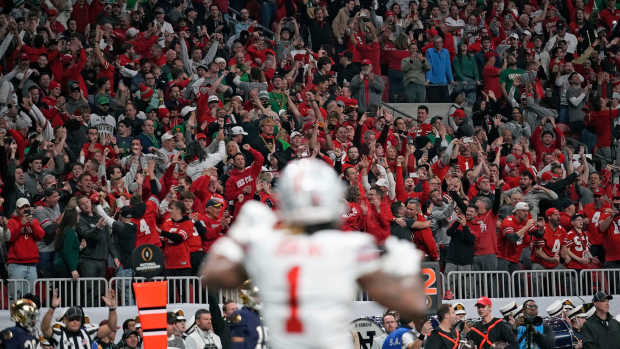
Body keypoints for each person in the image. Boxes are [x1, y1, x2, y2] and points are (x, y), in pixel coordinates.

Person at [203, 159, 428, 349]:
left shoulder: (267, 244)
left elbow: (212, 275)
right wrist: (407, 274)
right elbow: (410, 304)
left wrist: (235, 240)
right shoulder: (349, 245)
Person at [41, 288, 117, 349]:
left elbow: (111, 327)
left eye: (77, 319)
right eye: (71, 319)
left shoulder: (88, 331)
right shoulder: (59, 333)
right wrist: (52, 308)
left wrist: (112, 309)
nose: (75, 322)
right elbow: (45, 328)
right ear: (65, 321)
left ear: (81, 321)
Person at [6, 197, 45, 300]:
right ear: (17, 209)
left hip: (32, 264)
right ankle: (15, 316)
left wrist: (32, 223)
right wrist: (20, 224)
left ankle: (28, 316)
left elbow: (41, 235)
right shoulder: (11, 221)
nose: (25, 209)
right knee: (16, 296)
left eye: (27, 207)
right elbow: (9, 238)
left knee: (30, 297)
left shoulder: (34, 221)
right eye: (22, 207)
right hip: (16, 264)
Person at [228, 281, 267, 349]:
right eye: (255, 295)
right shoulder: (240, 315)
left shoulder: (264, 315)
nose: (259, 299)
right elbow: (237, 344)